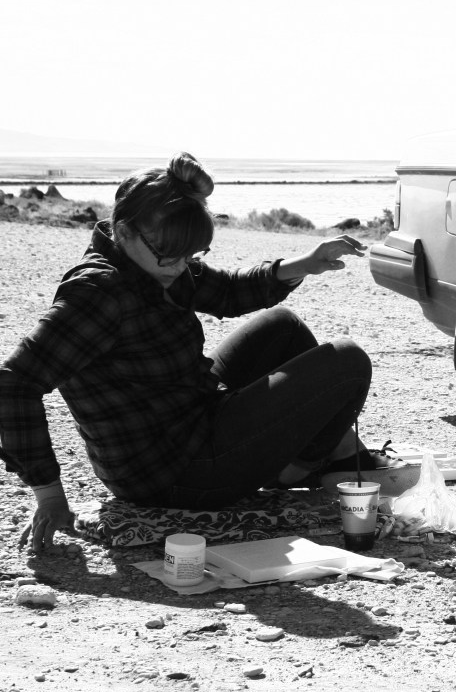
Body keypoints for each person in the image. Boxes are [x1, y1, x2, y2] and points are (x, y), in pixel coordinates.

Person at [0, 152, 392, 553]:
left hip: (189, 421)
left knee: (282, 326)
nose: (178, 267)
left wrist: (305, 263)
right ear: (124, 230)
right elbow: (14, 385)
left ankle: (334, 455)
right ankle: (297, 469)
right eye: (169, 255)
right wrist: (49, 494)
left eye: (189, 256)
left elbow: (228, 291)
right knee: (348, 362)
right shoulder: (98, 293)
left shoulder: (151, 262)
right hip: (173, 474)